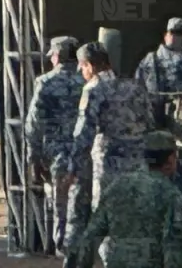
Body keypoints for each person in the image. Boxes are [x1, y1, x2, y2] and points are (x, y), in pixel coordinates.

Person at [57, 41, 152, 266]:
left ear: (90, 65)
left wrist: (72, 170)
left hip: (108, 170)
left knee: (107, 224)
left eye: (82, 67)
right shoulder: (135, 87)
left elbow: (84, 135)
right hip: (139, 168)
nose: (81, 72)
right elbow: (150, 122)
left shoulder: (94, 89)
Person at [71, 130, 182, 268]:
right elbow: (173, 249)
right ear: (170, 159)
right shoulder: (171, 196)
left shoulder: (117, 186)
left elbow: (90, 237)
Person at [24, 36, 84, 255]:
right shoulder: (88, 81)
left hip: (57, 156)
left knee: (61, 208)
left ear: (57, 56)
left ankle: (63, 250)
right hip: (86, 155)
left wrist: (34, 158)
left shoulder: (46, 82)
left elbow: (33, 125)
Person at [136, 17, 182, 127]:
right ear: (166, 35)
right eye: (174, 33)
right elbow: (138, 91)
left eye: (181, 34)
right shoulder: (151, 60)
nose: (177, 37)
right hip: (155, 123)